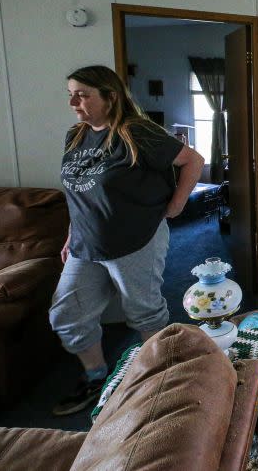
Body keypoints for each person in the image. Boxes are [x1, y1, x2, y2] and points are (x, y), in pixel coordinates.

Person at [50, 65, 204, 415]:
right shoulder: (75, 136)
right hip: (84, 245)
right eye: (71, 93)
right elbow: (79, 193)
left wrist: (177, 206)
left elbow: (193, 160)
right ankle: (96, 377)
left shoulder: (136, 131)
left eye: (83, 94)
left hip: (137, 238)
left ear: (110, 96)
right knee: (67, 313)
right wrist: (71, 235)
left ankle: (157, 381)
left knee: (144, 314)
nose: (74, 102)